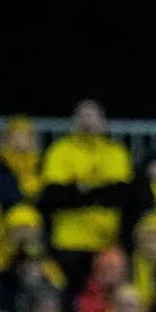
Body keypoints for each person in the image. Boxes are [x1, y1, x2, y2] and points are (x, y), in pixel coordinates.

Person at [40, 100, 132, 295]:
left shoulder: (115, 152)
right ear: (74, 121)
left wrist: (79, 191)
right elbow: (56, 195)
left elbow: (118, 195)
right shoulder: (60, 150)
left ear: (103, 121)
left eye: (93, 116)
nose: (88, 121)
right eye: (83, 116)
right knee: (71, 295)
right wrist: (97, 192)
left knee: (105, 298)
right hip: (68, 240)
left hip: (106, 241)